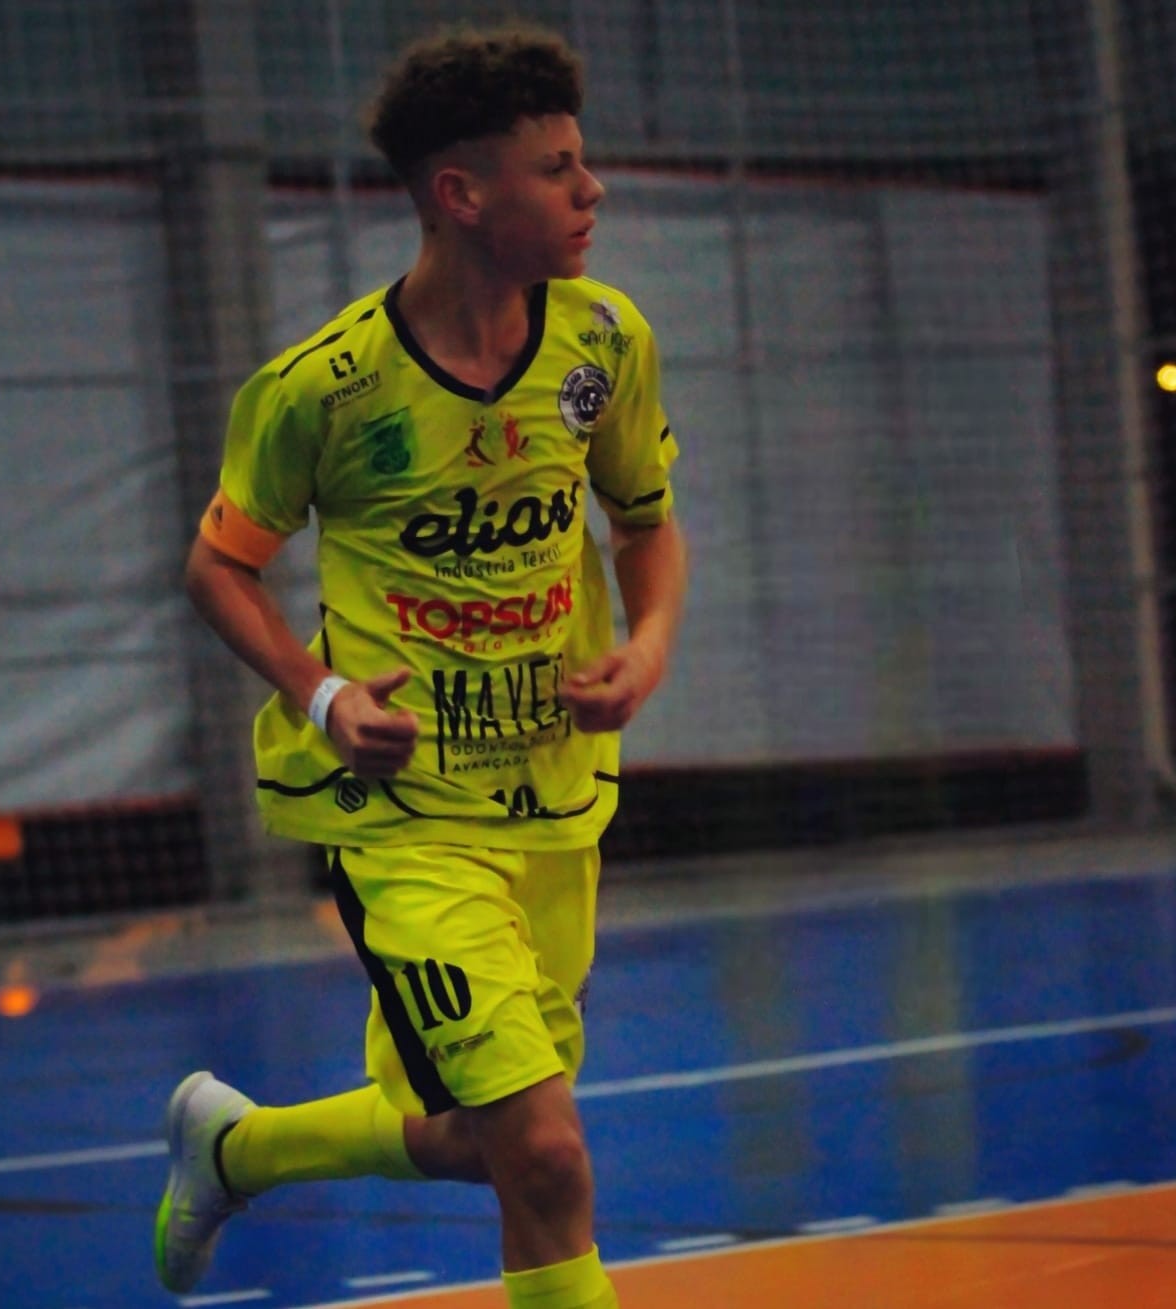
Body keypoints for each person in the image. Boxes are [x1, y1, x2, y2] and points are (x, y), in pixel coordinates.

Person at [154, 24, 686, 1309]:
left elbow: (646, 523)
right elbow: (220, 566)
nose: (591, 189)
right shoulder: (326, 390)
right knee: (546, 1156)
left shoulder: (604, 342)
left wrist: (646, 645)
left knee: (478, 1143)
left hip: (554, 801)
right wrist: (323, 695)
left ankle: (235, 1150)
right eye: (555, 168)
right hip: (404, 822)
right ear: (461, 194)